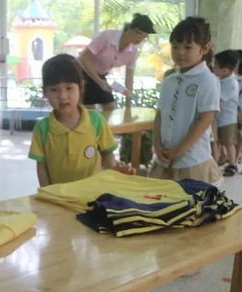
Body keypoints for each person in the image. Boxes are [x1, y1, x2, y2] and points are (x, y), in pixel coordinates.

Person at [28, 54, 133, 187]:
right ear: (45, 93)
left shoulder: (96, 120)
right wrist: (47, 193)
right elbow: (41, 168)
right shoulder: (42, 128)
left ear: (81, 87)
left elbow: (108, 156)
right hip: (60, 198)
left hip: (93, 195)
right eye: (54, 90)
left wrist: (118, 170)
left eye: (69, 88)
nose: (62, 96)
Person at [149, 17, 222, 184]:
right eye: (175, 47)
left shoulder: (207, 80)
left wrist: (179, 150)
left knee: (190, 206)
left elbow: (206, 119)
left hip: (191, 160)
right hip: (164, 157)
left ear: (204, 48)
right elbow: (160, 115)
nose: (180, 52)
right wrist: (157, 146)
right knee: (159, 203)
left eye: (188, 47)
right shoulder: (169, 80)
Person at [77, 13, 156, 116]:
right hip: (82, 73)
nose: (139, 38)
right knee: (88, 113)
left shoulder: (133, 52)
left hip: (100, 78)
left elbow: (129, 79)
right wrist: (99, 82)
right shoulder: (107, 36)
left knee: (112, 109)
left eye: (144, 37)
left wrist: (128, 108)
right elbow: (83, 59)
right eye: (138, 33)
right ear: (128, 28)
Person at [212, 50, 239, 176]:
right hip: (218, 118)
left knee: (228, 142)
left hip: (227, 119)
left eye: (216, 65)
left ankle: (232, 163)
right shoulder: (220, 79)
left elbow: (219, 101)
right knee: (216, 141)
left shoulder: (232, 84)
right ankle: (218, 160)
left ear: (225, 70)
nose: (213, 67)